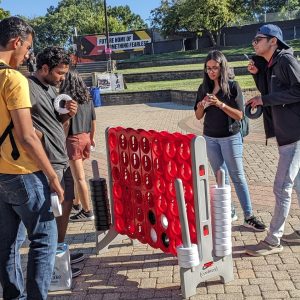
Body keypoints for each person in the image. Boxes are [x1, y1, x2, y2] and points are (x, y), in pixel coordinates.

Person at [0, 17, 64, 299]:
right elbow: (27, 136)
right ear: (16, 42)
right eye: (27, 47)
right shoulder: (12, 79)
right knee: (43, 239)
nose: (28, 54)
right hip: (23, 172)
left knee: (7, 245)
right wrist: (52, 176)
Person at [194, 50, 266, 231]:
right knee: (220, 177)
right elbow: (197, 116)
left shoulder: (233, 86)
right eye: (208, 68)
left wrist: (220, 104)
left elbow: (240, 115)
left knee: (237, 176)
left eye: (215, 68)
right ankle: (230, 210)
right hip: (210, 138)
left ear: (222, 68)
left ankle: (248, 215)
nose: (211, 72)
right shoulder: (203, 88)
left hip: (230, 137)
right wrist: (202, 105)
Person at [28, 46, 84, 277]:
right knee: (47, 217)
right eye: (59, 73)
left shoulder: (52, 89)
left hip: (60, 159)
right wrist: (36, 135)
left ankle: (59, 252)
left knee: (66, 205)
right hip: (45, 164)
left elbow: (58, 128)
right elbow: (19, 123)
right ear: (44, 68)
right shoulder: (29, 87)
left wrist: (67, 116)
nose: (62, 78)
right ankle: (51, 268)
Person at [245, 24, 300, 256]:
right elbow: (269, 94)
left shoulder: (286, 60)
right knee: (297, 185)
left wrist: (264, 99)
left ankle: (273, 240)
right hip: (287, 134)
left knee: (281, 187)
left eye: (259, 39)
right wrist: (258, 76)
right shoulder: (271, 64)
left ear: (273, 41)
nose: (255, 43)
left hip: (296, 135)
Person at [59, 70, 96, 221]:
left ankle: (87, 211)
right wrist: (91, 138)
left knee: (79, 177)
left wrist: (61, 139)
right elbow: (94, 121)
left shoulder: (66, 102)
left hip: (73, 140)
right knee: (77, 175)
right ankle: (77, 203)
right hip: (86, 137)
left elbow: (66, 124)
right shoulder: (87, 98)